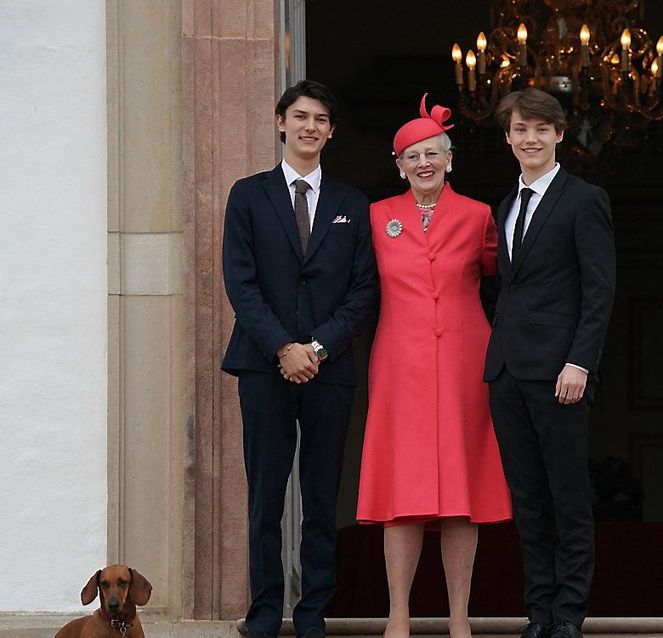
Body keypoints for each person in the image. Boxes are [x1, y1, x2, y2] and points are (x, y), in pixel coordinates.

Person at [221, 79, 378, 638]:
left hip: (329, 370)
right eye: (301, 116)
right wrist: (283, 347)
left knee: (320, 496)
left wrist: (314, 348)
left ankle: (313, 614)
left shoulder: (353, 205)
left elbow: (365, 290)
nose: (310, 126)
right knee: (265, 495)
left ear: (331, 132)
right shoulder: (247, 194)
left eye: (321, 119)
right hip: (264, 365)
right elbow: (240, 282)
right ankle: (264, 614)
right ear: (281, 122)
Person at [356, 94, 512, 638]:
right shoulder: (376, 217)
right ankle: (397, 616)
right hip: (400, 361)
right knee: (402, 492)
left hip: (467, 360)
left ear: (451, 159)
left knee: (459, 495)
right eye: (412, 155)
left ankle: (459, 620)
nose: (423, 163)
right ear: (397, 165)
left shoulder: (478, 215)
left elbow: (507, 280)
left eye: (433, 153)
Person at [484, 88, 616, 638]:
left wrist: (579, 363)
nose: (530, 138)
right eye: (520, 129)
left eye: (541, 129)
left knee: (568, 498)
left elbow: (599, 288)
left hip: (561, 373)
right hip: (508, 372)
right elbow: (503, 288)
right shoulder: (505, 205)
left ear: (560, 135)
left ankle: (568, 615)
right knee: (528, 501)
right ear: (509, 138)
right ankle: (537, 612)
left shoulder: (584, 199)